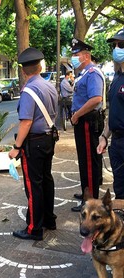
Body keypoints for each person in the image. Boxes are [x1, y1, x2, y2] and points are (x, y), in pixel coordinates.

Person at [8, 47, 58, 241]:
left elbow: (26, 122)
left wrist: (16, 147)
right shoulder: (49, 86)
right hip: (48, 139)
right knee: (46, 180)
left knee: (33, 185)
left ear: (23, 70)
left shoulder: (29, 90)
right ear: (39, 67)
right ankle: (49, 220)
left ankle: (34, 229)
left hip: (34, 143)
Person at [70, 39, 105, 211]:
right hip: (83, 121)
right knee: (84, 160)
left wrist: (77, 114)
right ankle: (86, 191)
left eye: (76, 55)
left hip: (87, 121)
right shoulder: (83, 73)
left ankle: (90, 200)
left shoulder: (92, 73)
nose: (73, 58)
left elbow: (96, 99)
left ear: (86, 56)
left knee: (89, 161)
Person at [97, 28, 124, 199]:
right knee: (120, 188)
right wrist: (104, 136)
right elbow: (113, 111)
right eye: (114, 45)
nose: (116, 48)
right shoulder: (117, 77)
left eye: (120, 45)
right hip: (117, 143)